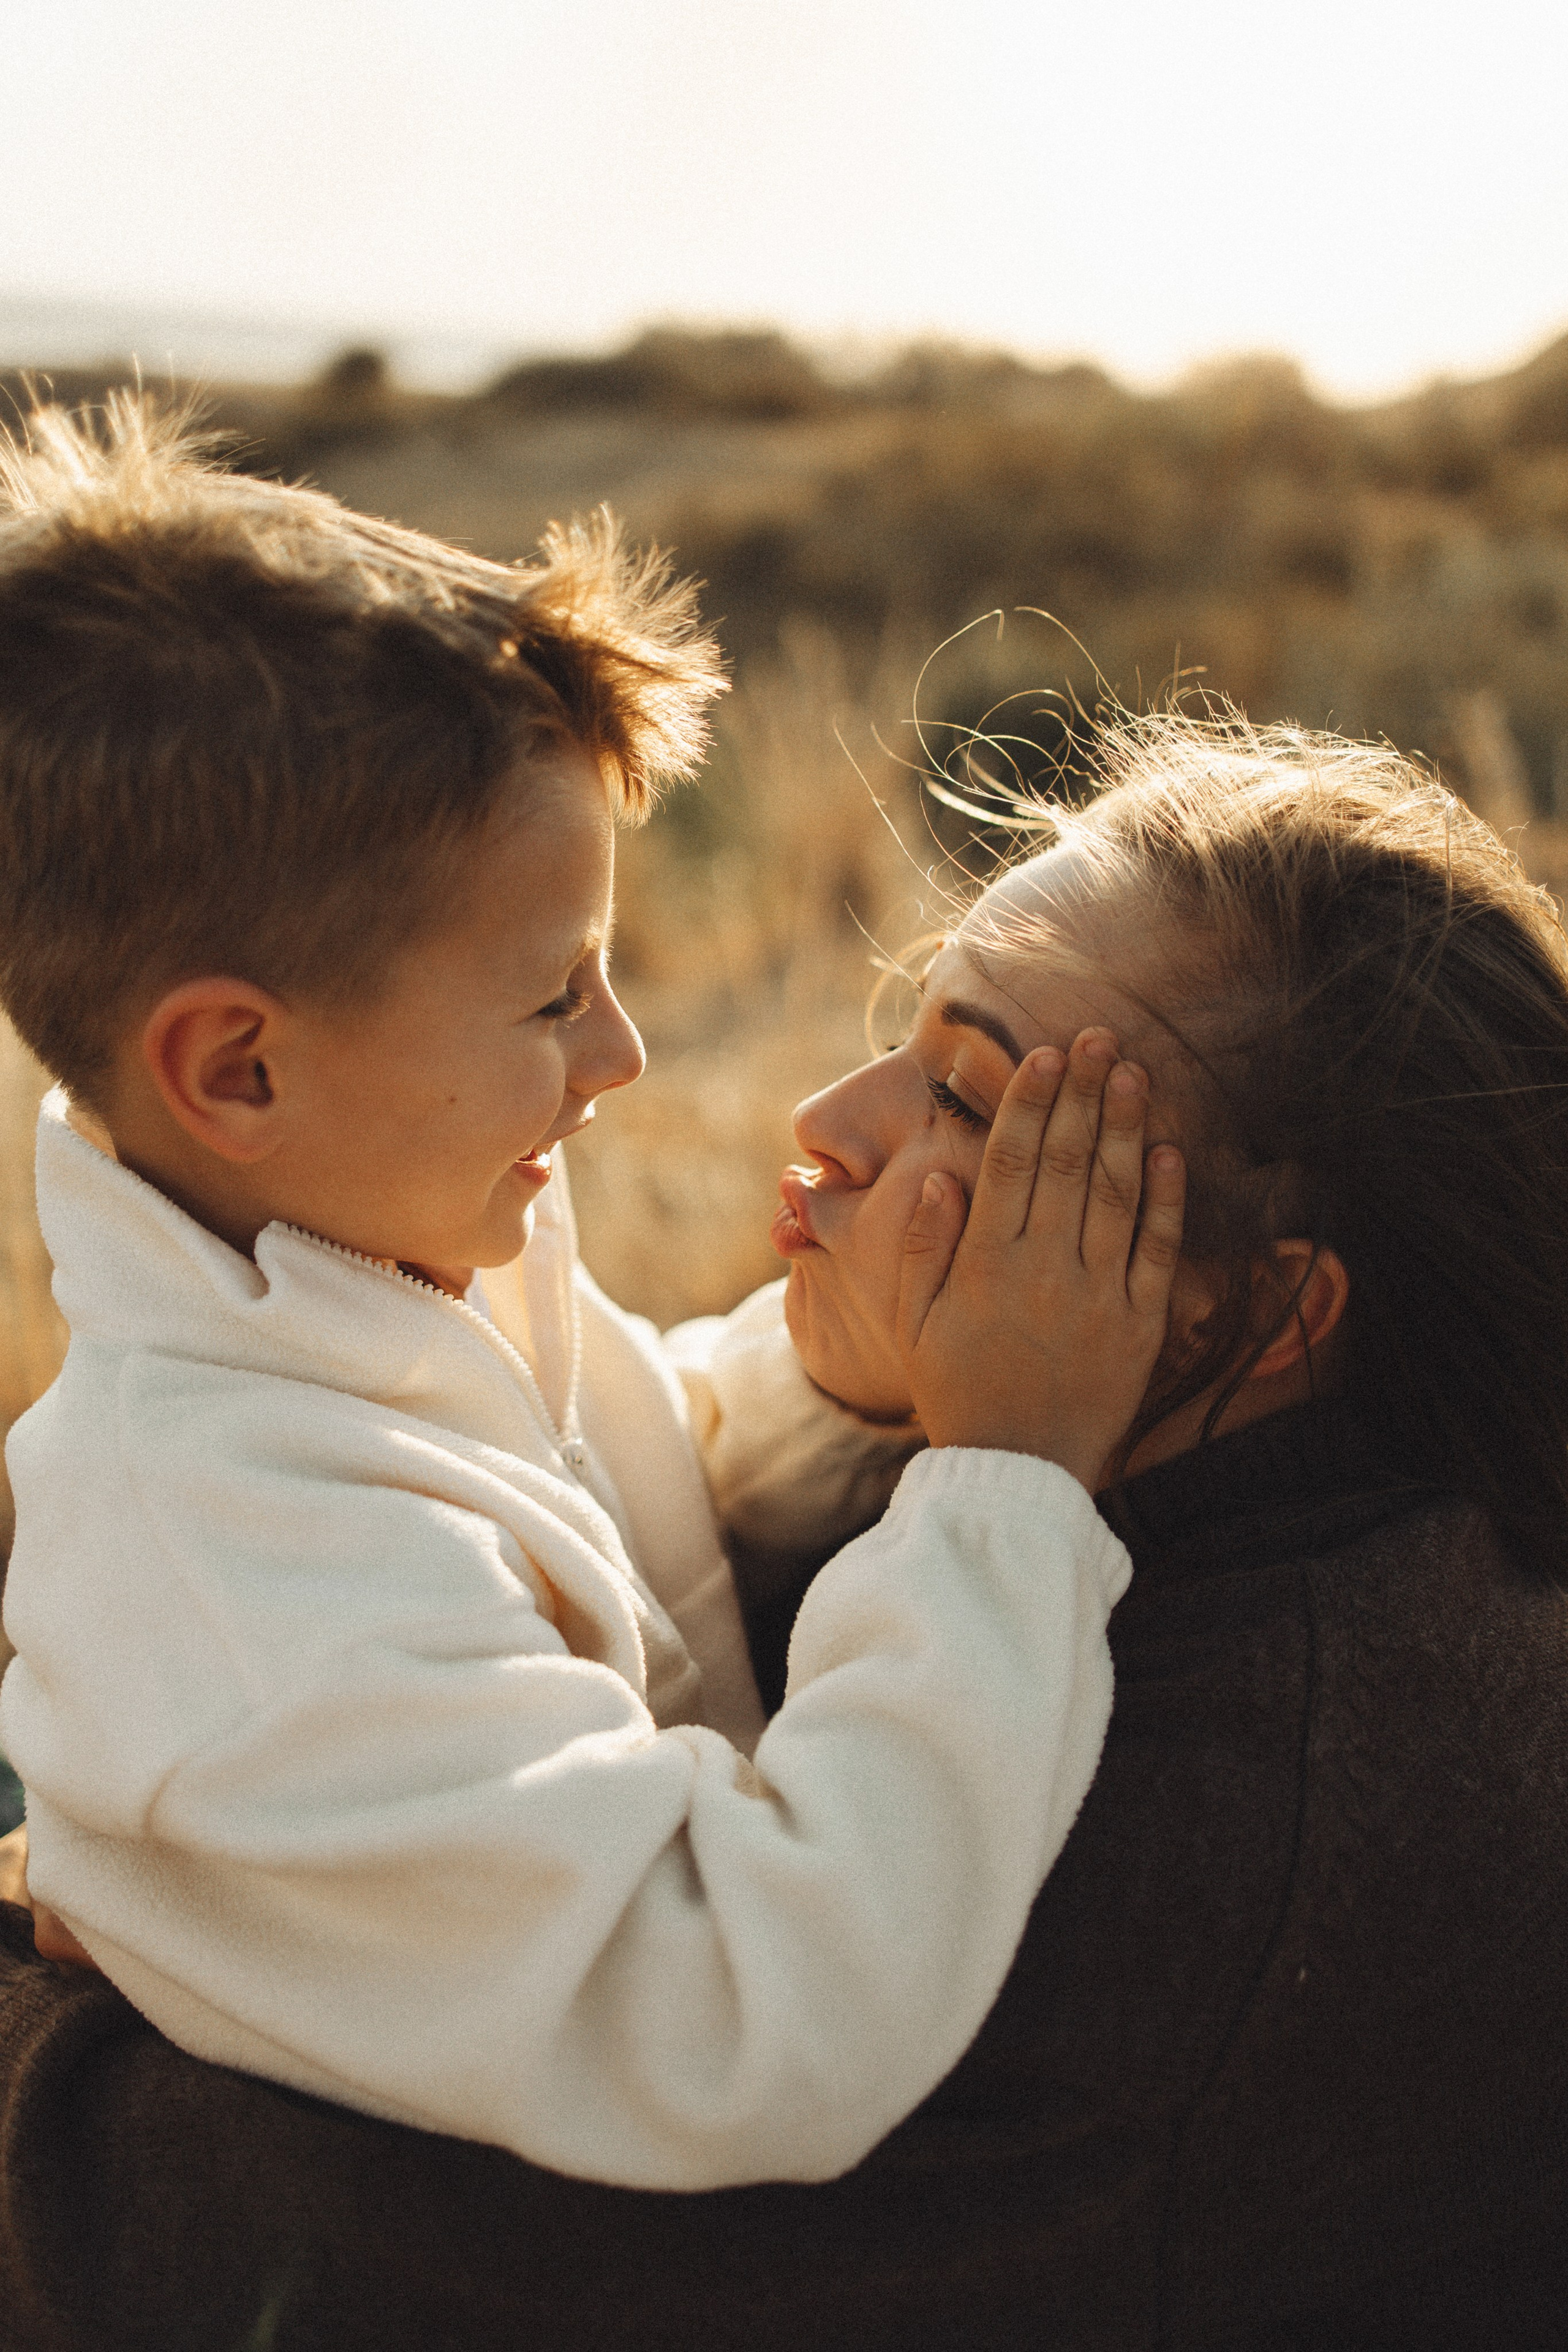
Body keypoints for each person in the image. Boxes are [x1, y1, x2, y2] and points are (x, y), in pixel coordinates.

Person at [5, 705, 1567, 2351]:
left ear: (1243, 1309)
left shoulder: (1201, 1887)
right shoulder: (1227, 1499)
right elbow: (664, 1488)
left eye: (970, 1101)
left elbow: (271, 2267)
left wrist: (113, 1971)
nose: (828, 1111)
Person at [0, 398, 1185, 2195]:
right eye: (555, 999)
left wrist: (864, 1379)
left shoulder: (377, 1259)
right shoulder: (247, 1594)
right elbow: (739, 2012)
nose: (623, 1055)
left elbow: (648, 1465)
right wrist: (1006, 1485)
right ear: (237, 1071)